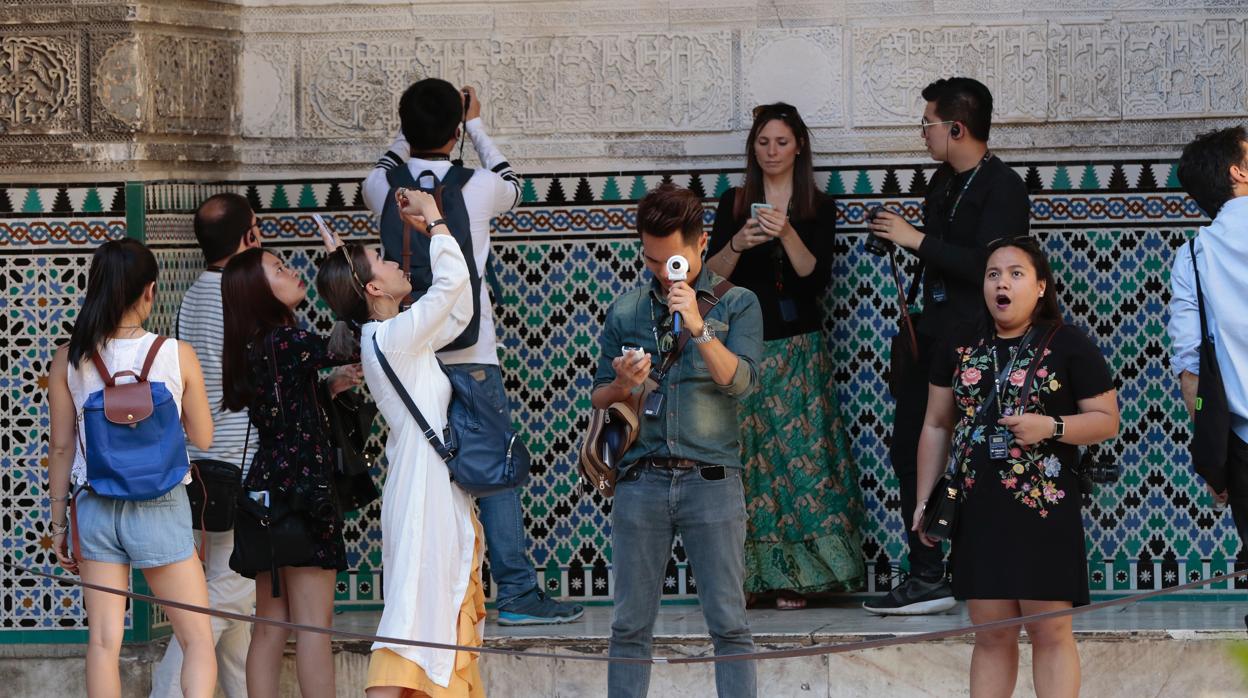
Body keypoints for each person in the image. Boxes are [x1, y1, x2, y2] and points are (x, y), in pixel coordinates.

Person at [362, 78, 581, 625]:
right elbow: (514, 182)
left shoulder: (378, 187)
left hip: (413, 358)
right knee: (497, 473)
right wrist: (476, 124)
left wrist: (409, 130)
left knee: (427, 472)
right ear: (456, 131)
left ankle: (433, 596)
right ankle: (516, 594)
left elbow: (392, 158)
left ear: (406, 129)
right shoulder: (480, 187)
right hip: (473, 354)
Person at [914, 237, 1119, 697]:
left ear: (1041, 286)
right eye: (993, 274)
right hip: (979, 508)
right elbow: (935, 423)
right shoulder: (961, 343)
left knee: (1050, 633)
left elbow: (1106, 422)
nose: (1001, 283)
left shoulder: (1069, 344)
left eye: (1015, 273)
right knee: (991, 635)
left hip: (1044, 511)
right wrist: (925, 499)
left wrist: (1051, 426)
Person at [863, 77, 1031, 615]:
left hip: (980, 343)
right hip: (929, 337)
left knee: (989, 455)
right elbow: (940, 258)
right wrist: (900, 241)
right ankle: (927, 572)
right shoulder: (943, 181)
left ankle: (991, 571)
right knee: (911, 449)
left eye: (928, 124)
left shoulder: (1002, 187)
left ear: (956, 127)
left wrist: (915, 239)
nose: (923, 134)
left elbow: (991, 266)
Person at [592, 184, 764, 698]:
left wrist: (699, 326)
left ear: (702, 243)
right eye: (650, 259)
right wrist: (624, 381)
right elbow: (601, 398)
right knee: (628, 628)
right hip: (640, 482)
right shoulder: (625, 311)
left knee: (729, 625)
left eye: (671, 260)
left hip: (713, 482)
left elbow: (743, 383)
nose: (660, 269)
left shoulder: (738, 303)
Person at [319, 189, 484, 697]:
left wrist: (432, 233)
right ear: (373, 286)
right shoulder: (391, 339)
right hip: (421, 492)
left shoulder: (394, 335)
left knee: (426, 611)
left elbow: (457, 308)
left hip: (427, 484)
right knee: (413, 615)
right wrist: (433, 219)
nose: (395, 262)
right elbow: (453, 283)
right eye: (384, 260)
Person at [706, 102, 865, 610]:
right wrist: (739, 240)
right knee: (749, 462)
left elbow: (816, 281)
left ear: (799, 146)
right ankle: (750, 578)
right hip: (743, 349)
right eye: (763, 142)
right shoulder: (734, 202)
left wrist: (787, 231)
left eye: (781, 142)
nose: (771, 152)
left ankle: (803, 576)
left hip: (799, 349)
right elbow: (709, 281)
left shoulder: (818, 206)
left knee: (802, 462)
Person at [47, 239, 217, 697]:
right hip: (160, 504)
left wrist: (59, 523)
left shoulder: (69, 359)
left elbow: (61, 448)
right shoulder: (176, 354)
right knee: (197, 639)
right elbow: (203, 437)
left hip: (96, 505)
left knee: (103, 642)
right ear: (150, 291)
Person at [221, 248, 359, 698]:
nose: (291, 273)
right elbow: (352, 341)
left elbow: (285, 413)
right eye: (279, 270)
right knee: (314, 627)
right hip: (305, 496)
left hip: (267, 494)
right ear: (259, 292)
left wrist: (327, 388)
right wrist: (344, 274)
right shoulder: (289, 342)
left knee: (270, 625)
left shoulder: (255, 344)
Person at [150, 193, 263, 698]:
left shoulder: (193, 293)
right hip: (243, 460)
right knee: (230, 591)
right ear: (248, 238)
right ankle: (167, 688)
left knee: (232, 589)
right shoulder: (245, 294)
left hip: (200, 463)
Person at [1168, 125, 1248, 568]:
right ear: (1238, 172)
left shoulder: (1193, 256)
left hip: (1240, 447)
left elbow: (1190, 370)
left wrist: (1214, 456)